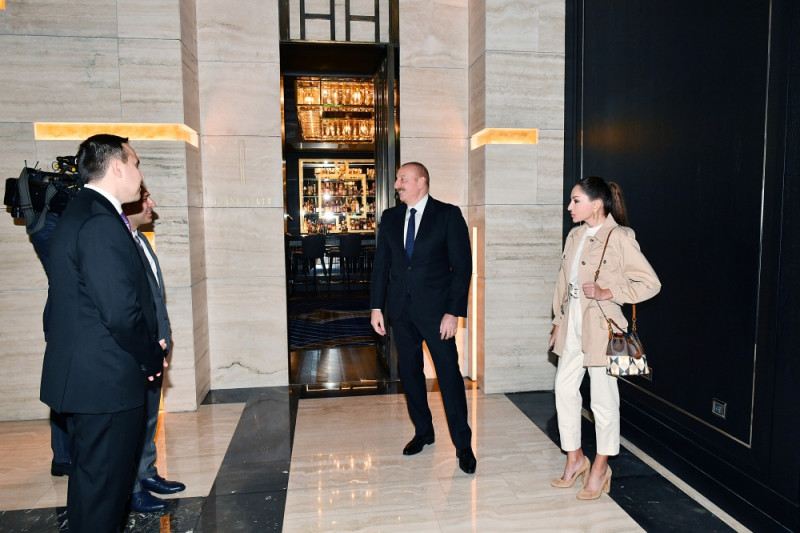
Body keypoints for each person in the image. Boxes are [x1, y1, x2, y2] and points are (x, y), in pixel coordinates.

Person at [39, 134, 168, 531]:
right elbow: (120, 311)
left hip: (90, 380)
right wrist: (151, 355)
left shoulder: (83, 211)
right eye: (136, 164)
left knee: (93, 488)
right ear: (116, 166)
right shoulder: (99, 221)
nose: (140, 174)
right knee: (103, 497)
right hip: (105, 382)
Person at [548, 176, 661, 499]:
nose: (569, 207)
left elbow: (650, 283)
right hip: (572, 322)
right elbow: (563, 283)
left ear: (596, 204)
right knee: (564, 389)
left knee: (602, 399)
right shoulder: (574, 235)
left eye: (576, 201)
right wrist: (557, 321)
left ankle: (600, 467)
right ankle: (575, 458)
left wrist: (608, 291)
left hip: (602, 326)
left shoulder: (620, 237)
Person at [370, 162, 476, 475]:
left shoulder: (447, 215)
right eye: (397, 179)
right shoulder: (390, 217)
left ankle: (463, 444)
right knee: (410, 374)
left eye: (403, 179)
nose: (397, 185)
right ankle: (423, 432)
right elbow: (381, 266)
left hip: (437, 315)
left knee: (449, 377)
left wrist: (453, 313)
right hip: (401, 312)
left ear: (421, 182)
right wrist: (376, 307)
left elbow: (462, 268)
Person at [122, 186, 186, 513]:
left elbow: (155, 296)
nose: (152, 204)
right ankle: (132, 489)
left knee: (149, 416)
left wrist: (164, 334)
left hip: (154, 345)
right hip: (137, 347)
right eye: (145, 198)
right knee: (132, 423)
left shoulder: (141, 240)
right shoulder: (119, 245)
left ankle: (146, 472)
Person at [28, 212, 72, 477]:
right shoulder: (47, 227)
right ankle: (65, 456)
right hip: (65, 320)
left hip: (66, 319)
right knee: (64, 391)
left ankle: (66, 455)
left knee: (66, 390)